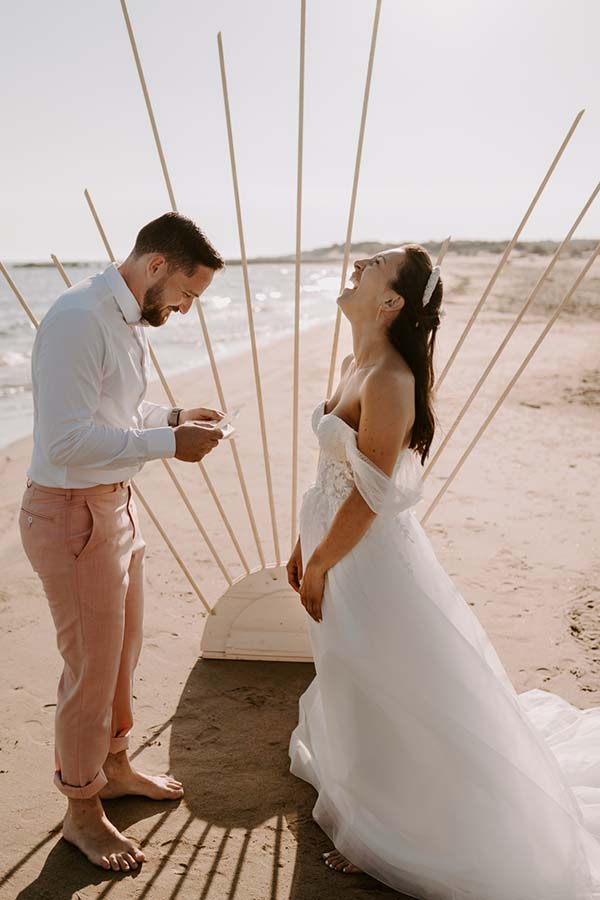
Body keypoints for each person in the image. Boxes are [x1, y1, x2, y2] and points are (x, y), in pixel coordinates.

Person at [287, 244, 600, 899]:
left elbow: (371, 496)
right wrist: (300, 544)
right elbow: (332, 474)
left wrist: (319, 562)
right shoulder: (353, 361)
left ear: (392, 301)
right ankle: (369, 805)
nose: (358, 263)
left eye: (373, 265)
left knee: (391, 683)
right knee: (351, 671)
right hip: (332, 543)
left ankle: (401, 831)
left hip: (368, 561)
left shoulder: (391, 381)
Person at [20, 212, 225, 873]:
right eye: (188, 293)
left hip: (114, 509)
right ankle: (82, 810)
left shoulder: (124, 319)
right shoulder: (81, 317)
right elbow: (65, 441)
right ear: (158, 266)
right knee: (90, 672)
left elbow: (110, 413)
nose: (186, 309)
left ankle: (113, 766)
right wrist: (169, 445)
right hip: (71, 517)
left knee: (122, 654)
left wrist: (171, 416)